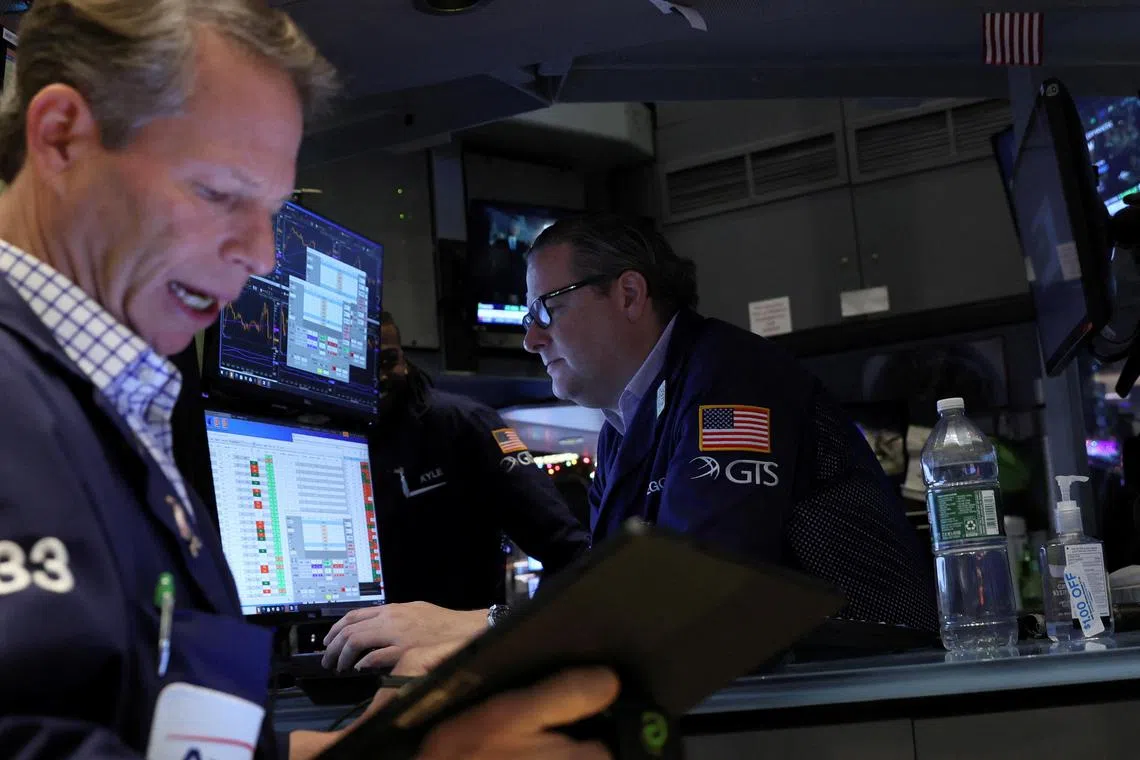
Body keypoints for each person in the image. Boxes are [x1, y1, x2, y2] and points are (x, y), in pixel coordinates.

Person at [0, 1, 617, 758]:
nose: (261, 255)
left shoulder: (117, 407)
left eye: (271, 208)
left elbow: (157, 734)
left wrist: (378, 746)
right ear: (62, 138)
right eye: (220, 192)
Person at [520, 214, 938, 631]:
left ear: (629, 295)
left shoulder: (732, 381)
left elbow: (701, 586)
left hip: (862, 676)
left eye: (546, 310)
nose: (532, 340)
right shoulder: (621, 427)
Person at [363, 313, 588, 603]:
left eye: (387, 361)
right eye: (365, 366)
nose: (379, 377)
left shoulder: (465, 424)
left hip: (463, 638)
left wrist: (516, 631)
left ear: (404, 359)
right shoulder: (325, 432)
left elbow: (567, 549)